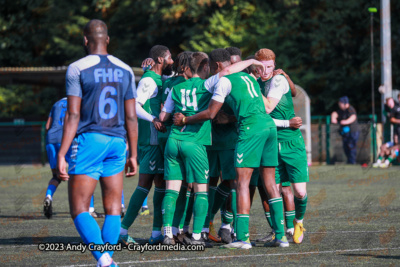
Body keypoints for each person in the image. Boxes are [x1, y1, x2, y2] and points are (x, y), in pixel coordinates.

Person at [173, 55, 289, 249]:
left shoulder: (224, 81)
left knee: (241, 183)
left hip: (251, 129)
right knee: (270, 183)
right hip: (269, 127)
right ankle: (281, 237)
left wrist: (185, 120)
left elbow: (211, 113)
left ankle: (242, 238)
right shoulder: (249, 78)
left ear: (217, 66)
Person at [160, 53, 264, 247]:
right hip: (195, 142)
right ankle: (198, 235)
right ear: (206, 67)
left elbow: (163, 115)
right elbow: (227, 71)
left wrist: (164, 114)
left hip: (173, 141)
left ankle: (167, 233)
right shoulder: (206, 85)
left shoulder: (176, 88)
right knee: (201, 191)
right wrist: (250, 61)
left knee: (172, 190)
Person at [57, 19, 138, 267]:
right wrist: (133, 154)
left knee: (79, 208)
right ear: (108, 40)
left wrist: (61, 153)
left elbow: (72, 114)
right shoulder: (126, 69)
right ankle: (107, 258)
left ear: (85, 40)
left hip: (90, 139)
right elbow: (132, 116)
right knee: (114, 207)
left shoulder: (77, 68)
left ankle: (105, 261)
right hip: (117, 142)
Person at [119, 45, 172, 246]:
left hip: (158, 140)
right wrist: (153, 119)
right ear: (160, 60)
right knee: (144, 184)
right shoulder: (149, 80)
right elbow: (133, 106)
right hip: (150, 140)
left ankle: (156, 234)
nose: (172, 62)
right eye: (169, 58)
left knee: (161, 184)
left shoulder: (159, 78)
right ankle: (121, 232)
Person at [255, 48, 308, 245]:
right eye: (261, 67)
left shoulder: (277, 80)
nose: (265, 71)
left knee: (299, 192)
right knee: (273, 191)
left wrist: (284, 76)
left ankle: (298, 221)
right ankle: (279, 232)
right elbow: (261, 118)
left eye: (269, 66)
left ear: (274, 66)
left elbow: (268, 109)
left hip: (291, 142)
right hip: (269, 143)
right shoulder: (255, 81)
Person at [43, 97, 69, 219]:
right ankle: (87, 209)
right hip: (66, 139)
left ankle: (49, 196)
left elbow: (47, 126)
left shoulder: (56, 103)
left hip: (50, 139)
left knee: (55, 176)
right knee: (79, 174)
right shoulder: (78, 101)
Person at [331, 96, 360, 164]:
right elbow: (335, 113)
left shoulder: (350, 109)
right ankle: (349, 161)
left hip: (353, 131)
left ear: (344, 103)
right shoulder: (341, 110)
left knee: (351, 146)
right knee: (345, 146)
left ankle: (352, 161)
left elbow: (353, 117)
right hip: (345, 132)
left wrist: (345, 121)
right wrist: (333, 118)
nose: (339, 104)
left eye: (340, 103)